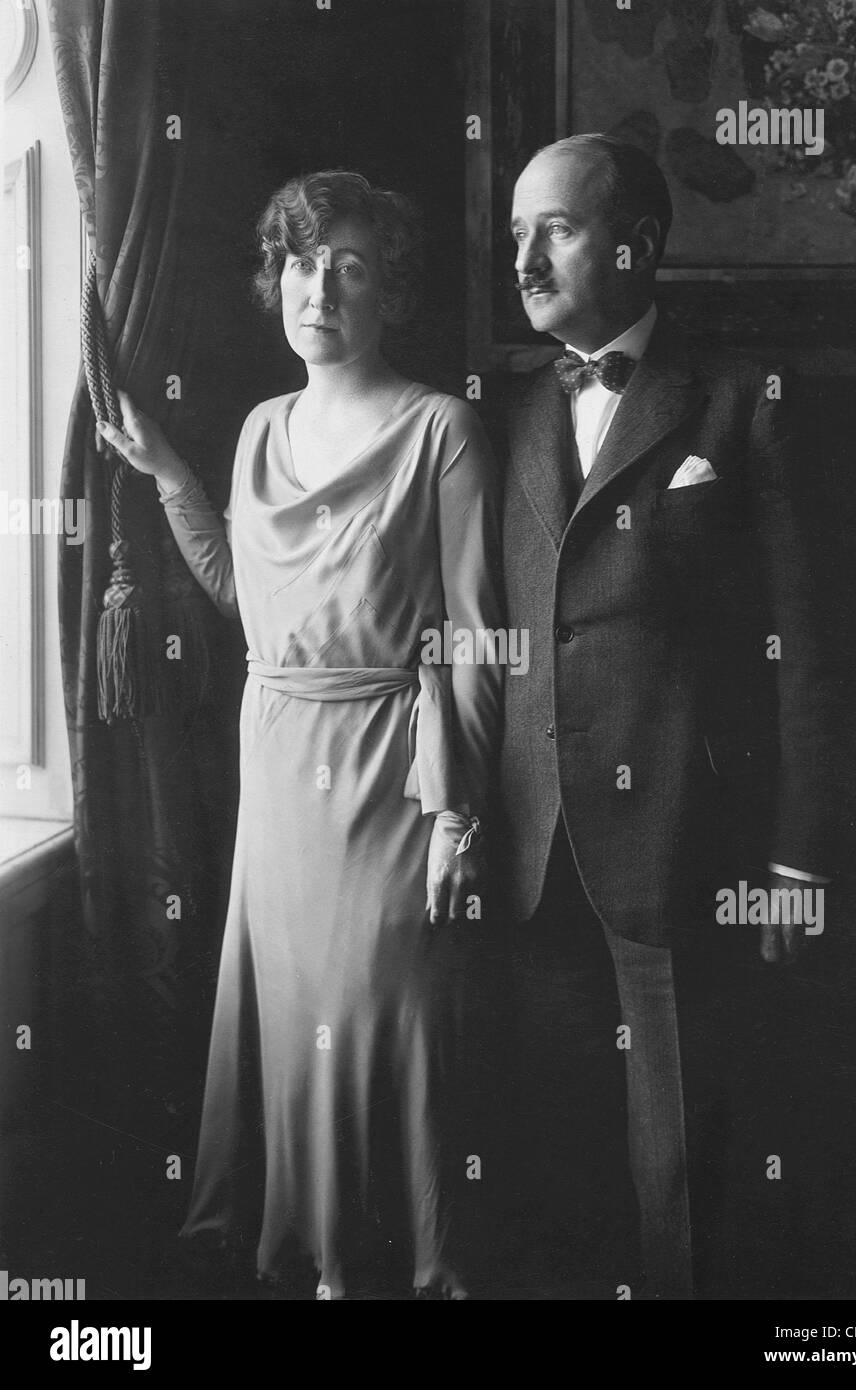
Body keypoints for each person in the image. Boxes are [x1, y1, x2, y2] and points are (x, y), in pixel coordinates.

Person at [97, 170, 503, 1300]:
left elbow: (473, 634)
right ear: (275, 278)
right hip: (276, 752)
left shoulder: (444, 431)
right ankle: (322, 1261)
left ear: (391, 294)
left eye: (350, 266)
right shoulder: (260, 428)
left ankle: (414, 1260)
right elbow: (240, 590)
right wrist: (168, 470)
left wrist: (456, 811)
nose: (317, 286)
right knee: (299, 1016)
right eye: (300, 261)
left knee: (384, 1009)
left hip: (390, 760)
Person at [498, 134, 856, 1298]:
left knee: (684, 1165)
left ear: (635, 243)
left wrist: (797, 861)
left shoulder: (739, 398)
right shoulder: (507, 414)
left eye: (550, 228)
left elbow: (814, 654)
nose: (524, 257)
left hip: (681, 841)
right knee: (554, 1157)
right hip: (531, 844)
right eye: (515, 234)